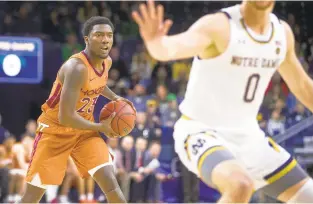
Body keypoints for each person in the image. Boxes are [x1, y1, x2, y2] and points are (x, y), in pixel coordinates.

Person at [132, 0, 313, 203]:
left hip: (250, 137)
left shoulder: (282, 33)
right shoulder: (220, 26)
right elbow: (169, 49)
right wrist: (156, 42)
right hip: (202, 131)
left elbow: (303, 87)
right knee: (240, 185)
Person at [20, 16, 134, 203]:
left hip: (84, 131)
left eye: (109, 35)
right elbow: (66, 117)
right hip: (55, 130)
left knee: (111, 183)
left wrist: (115, 97)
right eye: (99, 35)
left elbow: (97, 84)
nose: (105, 39)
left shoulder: (107, 63)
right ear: (87, 39)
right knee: (31, 197)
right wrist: (101, 127)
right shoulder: (76, 68)